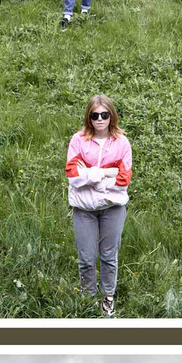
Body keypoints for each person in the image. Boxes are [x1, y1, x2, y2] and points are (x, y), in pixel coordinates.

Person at [63, 95, 132, 314]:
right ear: (89, 117)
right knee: (86, 258)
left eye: (105, 114)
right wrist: (104, 173)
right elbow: (73, 176)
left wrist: (90, 175)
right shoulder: (78, 140)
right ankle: (88, 297)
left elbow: (123, 180)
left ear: (112, 116)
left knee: (109, 256)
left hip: (113, 208)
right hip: (84, 210)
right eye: (95, 115)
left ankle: (108, 297)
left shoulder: (122, 142)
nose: (100, 119)